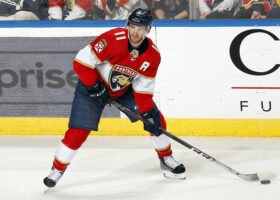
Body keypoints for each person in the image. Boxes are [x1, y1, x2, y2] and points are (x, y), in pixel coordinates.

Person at [43, 8, 186, 188]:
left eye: (140, 28)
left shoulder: (152, 55)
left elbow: (143, 90)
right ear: (127, 25)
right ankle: (57, 169)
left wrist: (148, 112)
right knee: (79, 131)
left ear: (148, 30)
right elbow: (81, 62)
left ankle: (166, 158)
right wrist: (94, 86)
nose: (135, 32)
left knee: (155, 119)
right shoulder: (113, 38)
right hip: (92, 86)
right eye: (132, 26)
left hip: (123, 91)